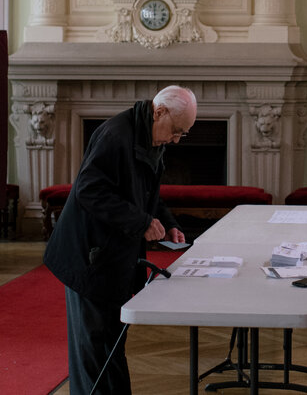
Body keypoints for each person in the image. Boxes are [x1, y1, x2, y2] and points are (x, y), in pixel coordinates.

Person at [43, 85, 196, 394]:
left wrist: (166, 223)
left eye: (183, 134)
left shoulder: (151, 136)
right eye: (176, 131)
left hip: (113, 257)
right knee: (93, 352)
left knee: (111, 346)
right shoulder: (115, 136)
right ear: (159, 112)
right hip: (88, 257)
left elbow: (146, 193)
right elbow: (89, 191)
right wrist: (141, 222)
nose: (176, 139)